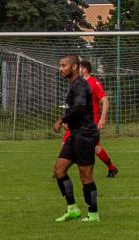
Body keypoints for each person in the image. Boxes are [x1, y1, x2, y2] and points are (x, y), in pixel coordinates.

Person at [53, 55, 100, 223]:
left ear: (74, 67)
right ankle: (72, 209)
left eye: (64, 65)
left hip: (85, 135)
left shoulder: (80, 85)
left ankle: (93, 214)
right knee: (59, 170)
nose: (60, 68)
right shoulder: (73, 85)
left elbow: (79, 108)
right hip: (75, 134)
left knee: (85, 175)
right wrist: (68, 121)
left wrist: (63, 119)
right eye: (60, 65)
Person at [79, 59, 118, 177]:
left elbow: (105, 101)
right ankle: (111, 168)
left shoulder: (94, 83)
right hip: (81, 121)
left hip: (93, 120)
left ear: (85, 69)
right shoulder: (78, 83)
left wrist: (102, 118)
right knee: (92, 146)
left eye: (80, 67)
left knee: (92, 146)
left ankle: (109, 168)